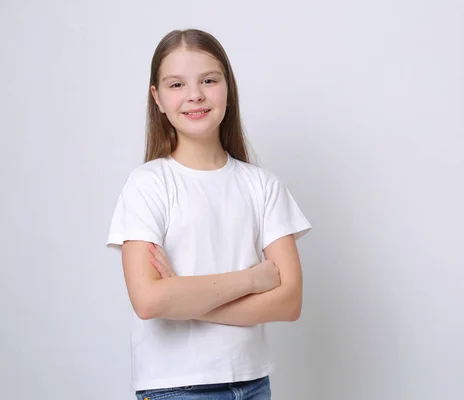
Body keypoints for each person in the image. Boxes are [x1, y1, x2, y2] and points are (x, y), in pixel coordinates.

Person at [106, 28, 311, 400]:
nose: (194, 95)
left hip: (253, 383)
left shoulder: (262, 186)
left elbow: (290, 301)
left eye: (208, 80)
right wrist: (253, 279)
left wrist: (185, 301)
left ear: (227, 88)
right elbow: (150, 302)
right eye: (176, 84)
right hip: (176, 388)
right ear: (157, 98)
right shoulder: (148, 184)